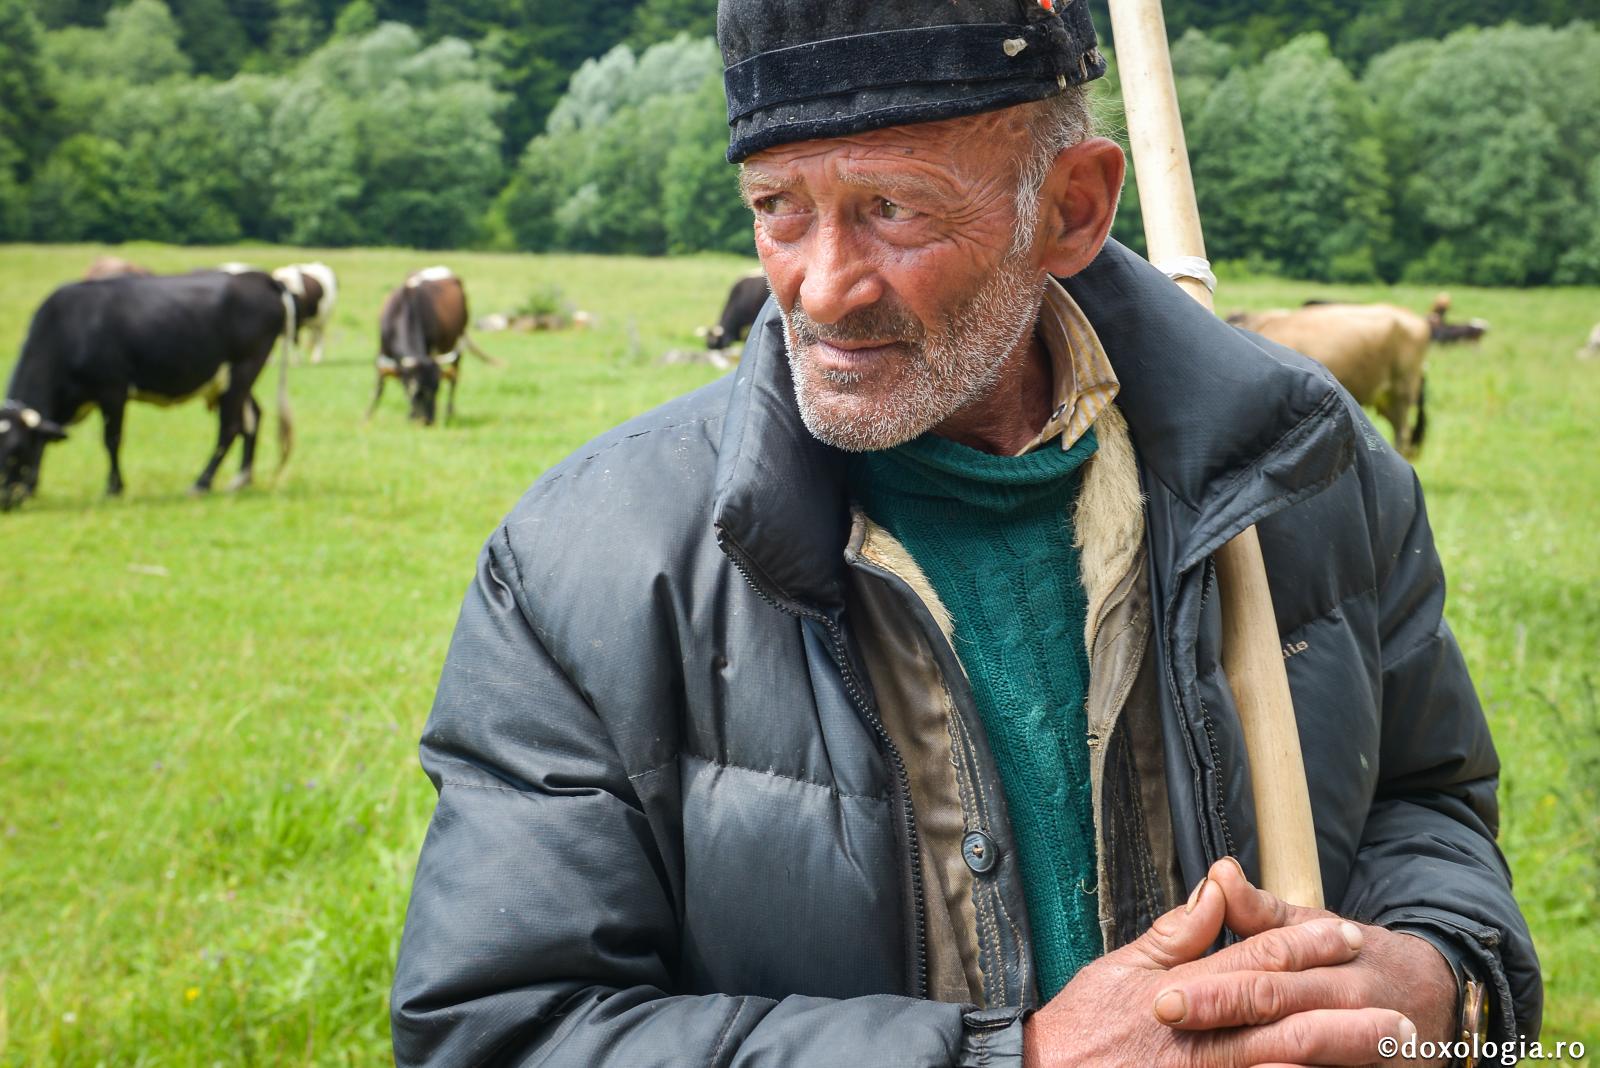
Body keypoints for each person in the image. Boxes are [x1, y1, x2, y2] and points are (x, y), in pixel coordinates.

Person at [391, 0, 1541, 1063]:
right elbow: (500, 1031)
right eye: (776, 208)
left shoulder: (1305, 475)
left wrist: (1445, 984)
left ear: (1073, 208)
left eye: (893, 208)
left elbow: (1422, 803)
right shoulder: (581, 567)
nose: (823, 286)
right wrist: (1015, 1058)